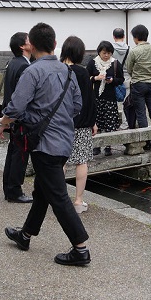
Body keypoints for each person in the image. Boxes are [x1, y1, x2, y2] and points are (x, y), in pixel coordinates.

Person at [0, 22, 90, 267]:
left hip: (43, 142)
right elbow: (77, 106)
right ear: (55, 43)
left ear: (32, 45)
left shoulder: (33, 72)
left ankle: (80, 248)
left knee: (58, 195)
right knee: (42, 191)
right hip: (64, 140)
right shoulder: (69, 72)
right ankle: (25, 234)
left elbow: (16, 107)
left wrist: (2, 121)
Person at [60, 35, 96, 214]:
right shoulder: (82, 73)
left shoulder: (57, 70)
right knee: (81, 162)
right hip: (81, 124)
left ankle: (58, 199)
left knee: (61, 161)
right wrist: (93, 122)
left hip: (60, 124)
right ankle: (78, 201)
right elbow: (89, 99)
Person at [0, 32, 33, 203]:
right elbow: (22, 96)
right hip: (20, 118)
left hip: (12, 116)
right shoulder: (23, 66)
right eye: (28, 40)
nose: (31, 42)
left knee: (13, 153)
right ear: (22, 46)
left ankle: (9, 187)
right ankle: (14, 191)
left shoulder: (14, 63)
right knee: (20, 155)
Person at [127, 24, 151, 149]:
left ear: (136, 37)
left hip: (138, 83)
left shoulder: (134, 51)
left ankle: (146, 142)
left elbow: (129, 68)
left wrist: (135, 75)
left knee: (141, 113)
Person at [87, 40, 124, 156]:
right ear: (99, 52)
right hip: (96, 97)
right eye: (104, 53)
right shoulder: (93, 63)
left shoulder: (115, 63)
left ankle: (108, 146)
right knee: (97, 122)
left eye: (109, 53)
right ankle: (96, 146)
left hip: (110, 97)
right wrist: (96, 78)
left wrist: (112, 80)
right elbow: (86, 77)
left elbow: (121, 79)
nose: (106, 55)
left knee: (109, 123)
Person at [112, 27, 131, 129]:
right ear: (124, 36)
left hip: (114, 79)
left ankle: (112, 123)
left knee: (112, 102)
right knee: (126, 103)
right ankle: (125, 124)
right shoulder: (130, 49)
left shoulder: (109, 49)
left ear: (113, 36)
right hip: (127, 78)